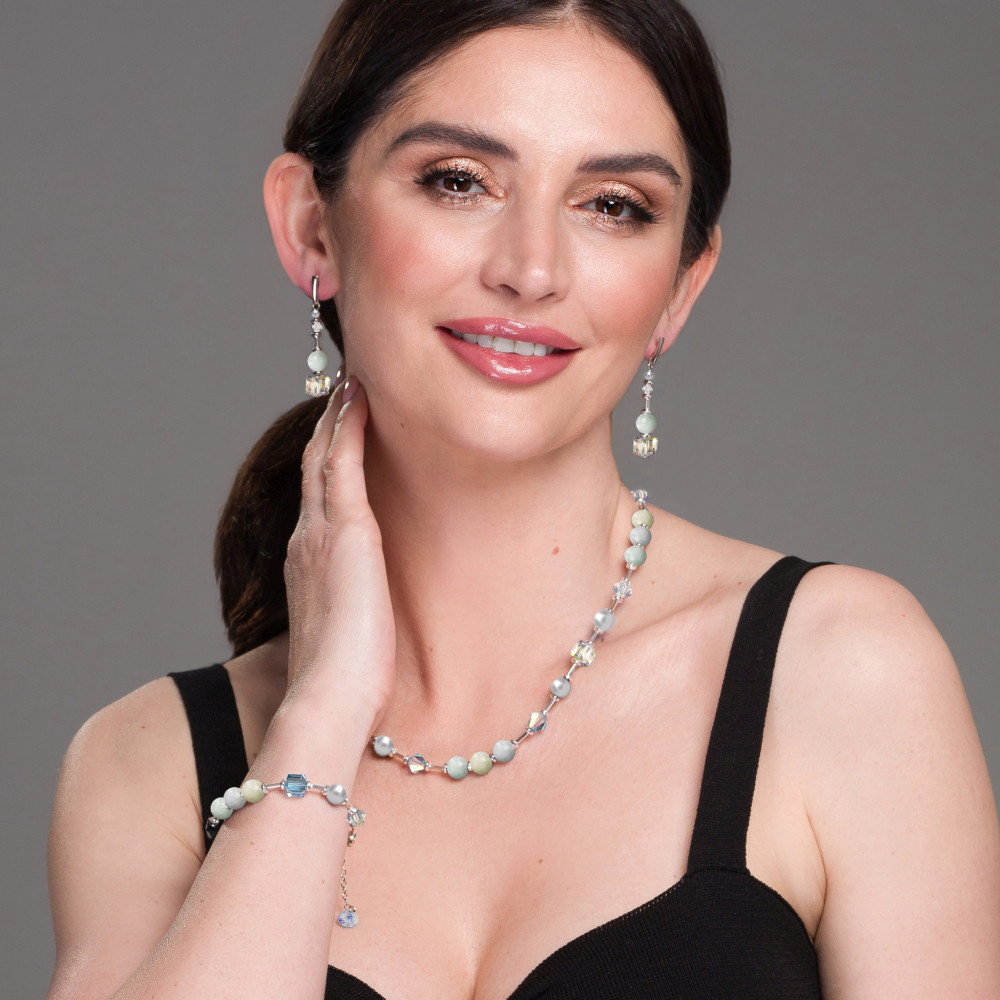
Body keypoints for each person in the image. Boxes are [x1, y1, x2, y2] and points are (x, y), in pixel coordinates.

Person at [45, 0, 1000, 997]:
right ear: (310, 226)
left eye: (613, 204)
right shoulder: (145, 764)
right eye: (459, 181)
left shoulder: (845, 674)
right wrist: (322, 712)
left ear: (680, 286)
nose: (531, 270)